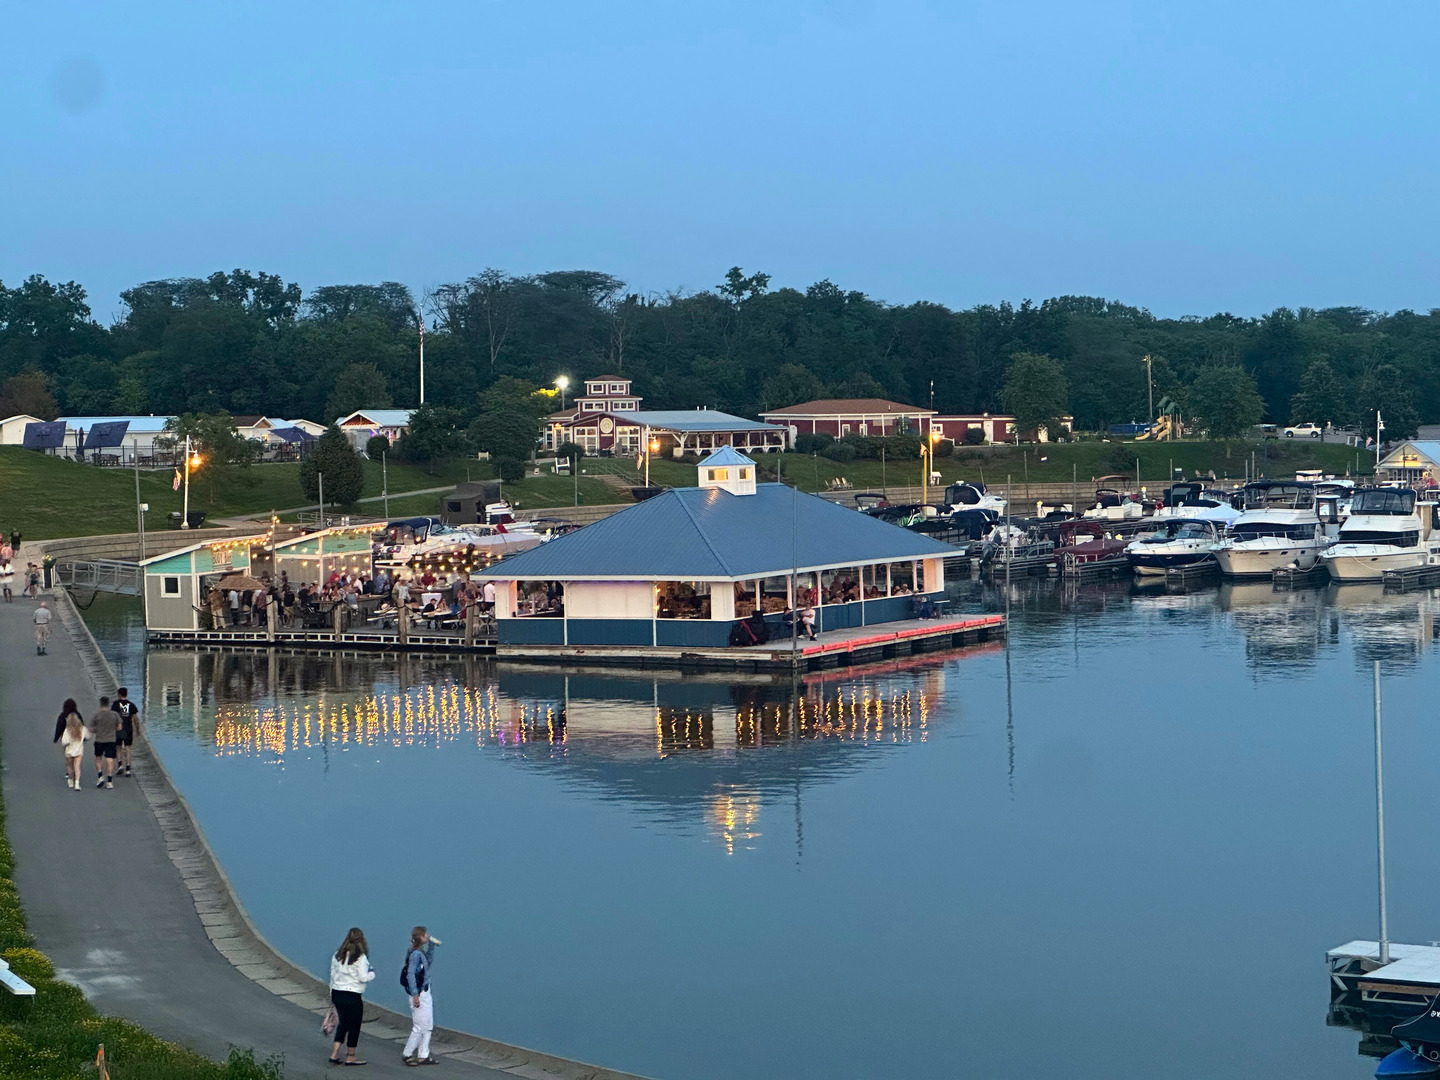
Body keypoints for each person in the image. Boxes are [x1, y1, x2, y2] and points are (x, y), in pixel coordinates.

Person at [328, 927, 376, 1066]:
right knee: (354, 1026)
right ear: (362, 941)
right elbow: (363, 977)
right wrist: (372, 973)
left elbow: (332, 975)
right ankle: (351, 1056)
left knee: (342, 1024)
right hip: (352, 995)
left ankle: (334, 1054)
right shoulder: (361, 958)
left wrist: (332, 995)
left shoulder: (337, 955)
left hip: (337, 993)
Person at [401, 926, 439, 1066]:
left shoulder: (419, 952)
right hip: (420, 994)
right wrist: (415, 994)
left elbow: (427, 964)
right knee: (419, 1026)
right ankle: (407, 1054)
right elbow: (411, 974)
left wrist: (432, 946)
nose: (427, 936)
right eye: (425, 935)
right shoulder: (415, 954)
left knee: (428, 1025)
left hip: (425, 991)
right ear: (421, 937)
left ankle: (424, 1055)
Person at [54, 698, 86, 789]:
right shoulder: (78, 715)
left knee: (68, 759)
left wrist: (56, 738)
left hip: (66, 739)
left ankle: (69, 774)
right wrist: (83, 738)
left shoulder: (62, 715)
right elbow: (82, 726)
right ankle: (75, 777)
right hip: (76, 739)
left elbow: (59, 727)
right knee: (76, 760)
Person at [90, 695, 119, 789]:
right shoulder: (114, 715)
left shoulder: (97, 715)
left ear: (100, 704)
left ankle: (100, 776)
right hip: (111, 739)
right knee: (109, 759)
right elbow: (119, 727)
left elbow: (91, 729)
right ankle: (109, 780)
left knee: (98, 758)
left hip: (99, 739)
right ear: (108, 704)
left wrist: (98, 730)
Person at [111, 687, 139, 778]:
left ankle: (120, 765)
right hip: (128, 728)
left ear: (119, 694)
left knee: (118, 747)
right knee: (128, 748)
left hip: (118, 728)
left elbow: (113, 717)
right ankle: (128, 769)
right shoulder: (131, 705)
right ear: (126, 694)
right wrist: (137, 729)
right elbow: (135, 718)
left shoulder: (115, 704)